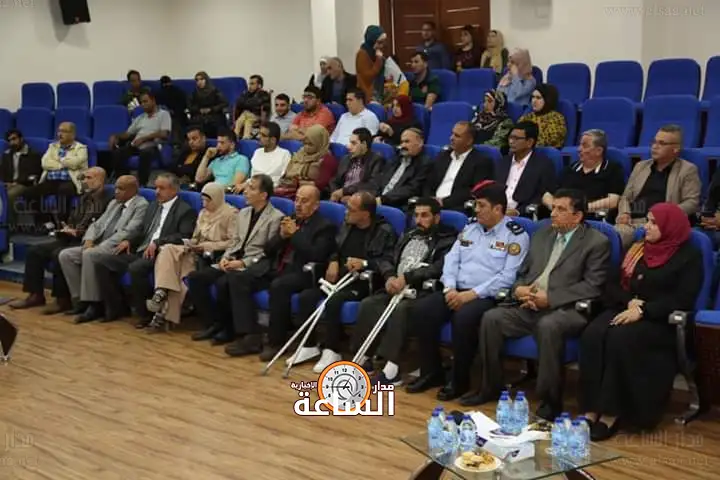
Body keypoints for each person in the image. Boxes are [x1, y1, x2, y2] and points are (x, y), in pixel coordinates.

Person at [472, 189, 610, 420]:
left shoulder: (597, 242)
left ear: (577, 216)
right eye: (553, 207)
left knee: (548, 325)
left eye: (561, 209)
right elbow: (522, 273)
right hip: (530, 304)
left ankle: (550, 401)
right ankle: (490, 387)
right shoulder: (541, 234)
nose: (553, 213)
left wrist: (551, 298)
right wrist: (520, 289)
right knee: (492, 318)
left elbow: (592, 286)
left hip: (567, 309)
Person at [579, 203, 702, 440]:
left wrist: (645, 310)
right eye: (647, 220)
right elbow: (611, 285)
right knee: (592, 334)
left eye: (654, 222)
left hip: (660, 319)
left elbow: (683, 298)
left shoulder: (688, 256)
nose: (646, 226)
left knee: (620, 339)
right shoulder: (637, 248)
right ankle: (591, 410)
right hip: (627, 308)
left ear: (669, 226)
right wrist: (630, 303)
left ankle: (611, 413)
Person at [406, 183, 530, 399]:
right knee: (422, 310)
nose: (476, 209)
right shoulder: (470, 228)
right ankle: (431, 372)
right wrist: (450, 288)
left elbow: (508, 277)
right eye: (476, 205)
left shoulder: (516, 236)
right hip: (456, 290)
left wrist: (470, 295)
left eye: (481, 205)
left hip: (487, 296)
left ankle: (459, 380)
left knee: (463, 318)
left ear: (498, 209)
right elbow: (451, 261)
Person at [350, 197, 458, 385]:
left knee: (402, 310)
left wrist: (407, 278)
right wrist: (389, 276)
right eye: (416, 215)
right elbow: (387, 258)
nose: (419, 220)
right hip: (396, 285)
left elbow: (438, 268)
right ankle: (364, 357)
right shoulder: (409, 234)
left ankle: (392, 369)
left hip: (420, 291)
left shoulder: (447, 239)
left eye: (424, 215)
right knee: (369, 304)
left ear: (436, 218)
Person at [289, 191, 397, 373]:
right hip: (340, 276)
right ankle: (308, 345)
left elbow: (386, 261)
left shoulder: (383, 231)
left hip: (363, 281)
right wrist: (333, 260)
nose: (346, 212)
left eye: (351, 209)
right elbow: (334, 247)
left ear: (365, 214)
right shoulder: (347, 224)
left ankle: (332, 350)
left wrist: (364, 263)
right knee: (307, 296)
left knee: (334, 301)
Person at [229, 185, 337, 358]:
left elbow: (317, 255)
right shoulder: (290, 219)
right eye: (297, 200)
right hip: (278, 267)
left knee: (279, 286)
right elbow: (268, 250)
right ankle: (251, 335)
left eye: (304, 201)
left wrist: (294, 235)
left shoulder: (325, 227)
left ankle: (276, 342)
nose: (298, 204)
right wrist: (281, 236)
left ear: (316, 205)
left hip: (304, 273)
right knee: (240, 278)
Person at [187, 175, 283, 345]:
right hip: (234, 260)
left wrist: (243, 263)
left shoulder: (276, 217)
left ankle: (231, 330)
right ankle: (213, 323)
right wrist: (226, 257)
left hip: (254, 265)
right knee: (196, 278)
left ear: (263, 195)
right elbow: (235, 242)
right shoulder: (243, 213)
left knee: (223, 282)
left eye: (251, 188)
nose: (245, 191)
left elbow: (269, 251)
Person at [92, 173, 197, 323]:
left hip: (161, 254)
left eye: (162, 188)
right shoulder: (153, 205)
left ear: (174, 190)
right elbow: (142, 230)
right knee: (102, 262)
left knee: (136, 268)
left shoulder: (185, 211)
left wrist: (158, 242)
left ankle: (145, 314)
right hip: (141, 249)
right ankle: (116, 308)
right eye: (156, 188)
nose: (157, 192)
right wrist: (129, 240)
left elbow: (183, 235)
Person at [8, 167, 112, 313]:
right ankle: (35, 295)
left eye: (89, 178)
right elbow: (74, 218)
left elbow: (102, 226)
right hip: (70, 237)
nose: (84, 181)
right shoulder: (84, 197)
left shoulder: (109, 200)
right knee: (34, 251)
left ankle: (62, 299)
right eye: (84, 178)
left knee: (57, 254)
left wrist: (78, 232)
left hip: (87, 241)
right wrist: (68, 227)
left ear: (100, 180)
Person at [145, 183, 238, 332]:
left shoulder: (231, 214)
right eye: (202, 200)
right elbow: (195, 237)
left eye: (208, 200)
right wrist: (190, 243)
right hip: (195, 251)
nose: (204, 204)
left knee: (178, 274)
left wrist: (208, 246)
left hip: (211, 256)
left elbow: (233, 242)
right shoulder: (203, 213)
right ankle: (160, 292)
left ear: (216, 198)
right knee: (167, 249)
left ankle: (163, 312)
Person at [57, 175, 148, 322]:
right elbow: (97, 224)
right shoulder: (114, 203)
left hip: (115, 247)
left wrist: (100, 246)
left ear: (133, 190)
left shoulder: (141, 205)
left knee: (90, 255)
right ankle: (79, 300)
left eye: (121, 189)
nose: (116, 191)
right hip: (98, 243)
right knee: (66, 255)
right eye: (116, 187)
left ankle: (94, 304)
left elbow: (129, 231)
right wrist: (89, 239)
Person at [615, 125, 701, 249]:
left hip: (658, 225)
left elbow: (692, 203)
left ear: (675, 149)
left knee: (616, 238)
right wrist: (624, 213)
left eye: (662, 143)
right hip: (631, 221)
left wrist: (663, 217)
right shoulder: (641, 166)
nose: (655, 146)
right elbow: (626, 197)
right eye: (654, 142)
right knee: (602, 233)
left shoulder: (687, 170)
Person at [546, 129, 625, 223]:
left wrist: (581, 209)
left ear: (599, 151)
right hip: (562, 218)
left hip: (592, 220)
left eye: (585, 146)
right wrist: (557, 208)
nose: (579, 149)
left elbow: (613, 201)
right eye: (580, 145)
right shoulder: (571, 169)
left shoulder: (612, 169)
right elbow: (547, 194)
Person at [23, 122, 88, 227]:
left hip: (70, 181)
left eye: (64, 131)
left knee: (63, 191)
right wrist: (62, 164)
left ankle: (62, 224)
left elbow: (75, 163)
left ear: (72, 134)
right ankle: (47, 220)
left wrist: (56, 160)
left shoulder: (81, 148)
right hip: (51, 181)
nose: (60, 134)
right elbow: (44, 163)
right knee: (28, 193)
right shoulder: (53, 146)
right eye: (59, 131)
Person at [423, 122, 495, 212]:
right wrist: (429, 200)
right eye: (452, 134)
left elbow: (474, 191)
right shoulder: (443, 156)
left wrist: (444, 202)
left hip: (456, 207)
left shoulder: (481, 162)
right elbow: (428, 182)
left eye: (457, 136)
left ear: (469, 141)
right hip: (432, 205)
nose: (451, 138)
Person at [495, 121, 557, 218]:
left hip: (522, 215)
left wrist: (518, 212)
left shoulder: (543, 165)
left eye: (516, 138)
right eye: (510, 137)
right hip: (496, 211)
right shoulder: (502, 162)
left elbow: (542, 195)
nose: (511, 142)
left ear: (529, 142)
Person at [109, 91, 171, 186]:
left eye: (146, 101)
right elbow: (128, 134)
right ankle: (124, 182)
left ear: (153, 101)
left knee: (145, 153)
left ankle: (142, 184)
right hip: (136, 145)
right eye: (141, 102)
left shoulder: (163, 114)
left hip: (153, 145)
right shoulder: (140, 117)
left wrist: (144, 138)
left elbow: (164, 133)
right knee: (118, 153)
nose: (143, 105)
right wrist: (115, 136)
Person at [275, 125, 338, 199]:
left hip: (307, 194)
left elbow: (320, 185)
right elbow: (287, 173)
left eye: (310, 144)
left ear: (320, 143)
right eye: (305, 143)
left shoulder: (328, 160)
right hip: (287, 188)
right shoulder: (300, 153)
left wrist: (297, 183)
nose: (306, 147)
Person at [376, 128, 431, 209]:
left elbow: (411, 189)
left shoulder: (424, 163)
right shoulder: (396, 158)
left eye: (407, 142)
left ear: (420, 143)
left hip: (397, 204)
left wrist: (383, 199)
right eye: (402, 142)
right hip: (378, 199)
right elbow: (380, 179)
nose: (403, 145)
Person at [328, 128, 385, 203]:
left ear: (364, 144)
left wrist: (346, 192)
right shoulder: (346, 158)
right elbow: (335, 180)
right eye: (350, 143)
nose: (349, 147)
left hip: (360, 200)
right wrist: (336, 194)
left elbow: (372, 186)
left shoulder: (376, 160)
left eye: (353, 143)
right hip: (341, 198)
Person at [1, 129, 42, 226]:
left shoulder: (33, 155)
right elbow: (2, 172)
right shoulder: (6, 155)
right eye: (9, 140)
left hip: (24, 185)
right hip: (8, 184)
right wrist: (5, 183)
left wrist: (17, 182)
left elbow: (34, 173)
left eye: (14, 139)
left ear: (21, 139)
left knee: (9, 195)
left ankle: (10, 225)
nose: (12, 143)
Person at [241, 122, 291, 191]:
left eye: (263, 135)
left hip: (271, 190)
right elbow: (253, 176)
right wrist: (244, 184)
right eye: (259, 134)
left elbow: (283, 179)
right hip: (252, 187)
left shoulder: (284, 154)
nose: (259, 137)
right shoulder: (257, 152)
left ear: (273, 140)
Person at [518, 84, 567, 148]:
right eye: (533, 97)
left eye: (538, 98)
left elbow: (546, 141)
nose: (534, 101)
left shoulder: (556, 118)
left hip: (542, 152)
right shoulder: (528, 117)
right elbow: (515, 134)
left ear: (548, 100)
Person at [188, 71, 228, 139]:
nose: (199, 82)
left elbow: (224, 103)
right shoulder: (195, 93)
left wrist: (211, 109)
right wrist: (199, 110)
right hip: (199, 115)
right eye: (197, 80)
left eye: (202, 79)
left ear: (206, 80)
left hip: (214, 114)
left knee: (215, 122)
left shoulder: (214, 91)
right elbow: (190, 106)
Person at [356, 25, 388, 103]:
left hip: (377, 93)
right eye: (379, 42)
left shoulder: (374, 52)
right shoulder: (362, 54)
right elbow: (368, 77)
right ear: (371, 41)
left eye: (383, 42)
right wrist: (379, 60)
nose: (382, 45)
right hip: (367, 96)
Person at [233, 75, 272, 139]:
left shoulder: (264, 94)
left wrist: (246, 103)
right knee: (244, 121)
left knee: (245, 115)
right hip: (248, 117)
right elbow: (239, 103)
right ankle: (240, 136)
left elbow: (257, 106)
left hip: (256, 116)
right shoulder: (247, 93)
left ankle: (239, 136)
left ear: (259, 85)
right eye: (249, 84)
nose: (250, 86)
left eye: (252, 84)